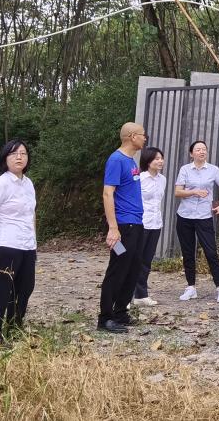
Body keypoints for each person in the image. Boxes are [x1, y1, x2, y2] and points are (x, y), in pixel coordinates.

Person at [0, 139, 37, 345]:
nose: (19, 157)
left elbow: (31, 214)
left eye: (23, 153)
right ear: (5, 158)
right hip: (5, 245)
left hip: (27, 245)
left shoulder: (28, 183)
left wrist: (34, 239)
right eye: (14, 154)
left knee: (24, 288)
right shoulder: (0, 184)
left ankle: (14, 327)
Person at [99, 122, 147, 333]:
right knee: (118, 268)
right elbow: (107, 193)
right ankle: (105, 318)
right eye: (142, 135)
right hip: (123, 226)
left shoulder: (130, 161)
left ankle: (120, 312)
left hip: (136, 224)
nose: (145, 138)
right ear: (132, 136)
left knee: (133, 268)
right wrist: (113, 228)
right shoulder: (116, 160)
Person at [175, 140, 219, 303]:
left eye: (204, 149)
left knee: (211, 252)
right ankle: (191, 287)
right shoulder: (185, 169)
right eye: (198, 149)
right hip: (185, 216)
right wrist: (193, 192)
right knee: (188, 253)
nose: (202, 152)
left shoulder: (213, 170)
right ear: (191, 153)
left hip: (204, 216)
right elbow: (177, 192)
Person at [133, 146, 165, 307]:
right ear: (148, 161)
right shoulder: (139, 178)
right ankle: (126, 295)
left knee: (146, 261)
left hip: (156, 224)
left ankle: (141, 295)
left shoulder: (162, 179)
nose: (160, 161)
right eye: (156, 159)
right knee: (134, 259)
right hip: (141, 223)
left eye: (161, 158)